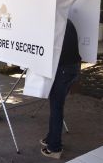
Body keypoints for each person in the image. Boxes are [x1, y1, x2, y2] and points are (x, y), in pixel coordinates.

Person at [40, 19, 81, 159]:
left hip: (63, 69)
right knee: (57, 105)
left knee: (56, 107)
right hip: (73, 67)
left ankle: (55, 148)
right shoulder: (66, 20)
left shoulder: (52, 23)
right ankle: (51, 137)